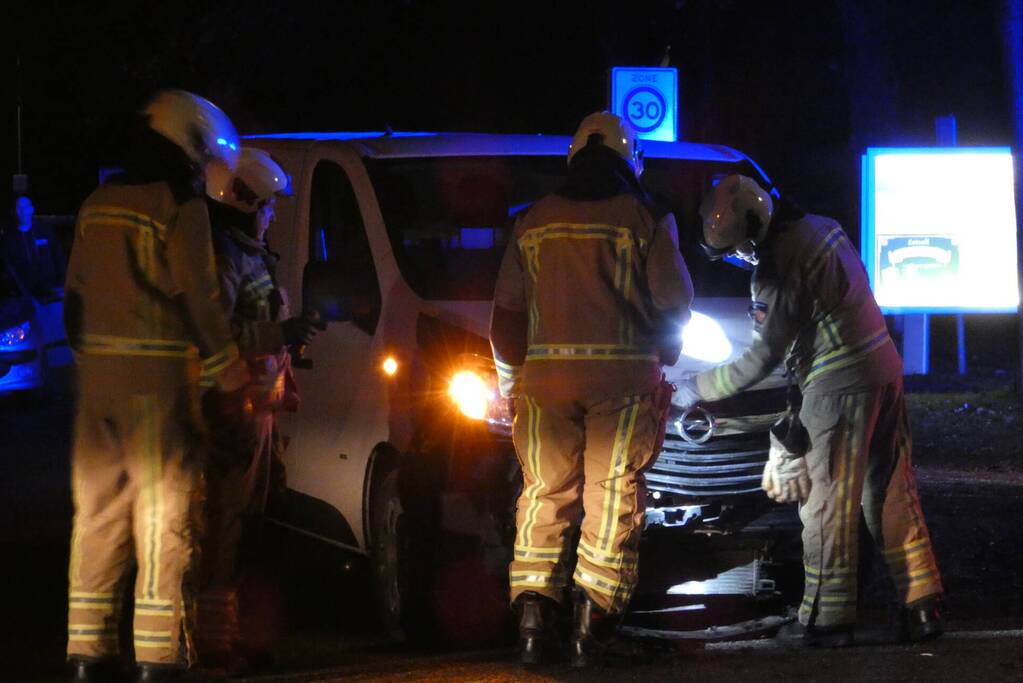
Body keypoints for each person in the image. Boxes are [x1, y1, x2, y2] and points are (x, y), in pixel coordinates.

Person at [673, 174, 944, 646]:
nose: (741, 258)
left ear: (753, 228)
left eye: (738, 249)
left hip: (838, 391)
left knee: (825, 506)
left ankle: (827, 620)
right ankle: (923, 606)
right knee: (892, 495)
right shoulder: (824, 227)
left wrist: (691, 388)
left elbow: (757, 362)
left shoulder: (777, 266)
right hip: (885, 372)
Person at [490, 111, 694, 667]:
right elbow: (675, 305)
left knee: (543, 494)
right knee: (611, 497)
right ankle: (592, 628)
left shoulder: (533, 221)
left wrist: (513, 383)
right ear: (632, 161)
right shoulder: (646, 217)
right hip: (624, 384)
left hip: (543, 386)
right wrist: (665, 355)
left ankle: (533, 624)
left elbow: (505, 317)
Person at [63, 89, 250, 683]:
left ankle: (87, 657)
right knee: (164, 522)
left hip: (97, 392)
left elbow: (72, 303)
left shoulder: (97, 203)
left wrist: (98, 364)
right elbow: (199, 296)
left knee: (97, 520)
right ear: (188, 145)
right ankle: (158, 660)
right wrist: (231, 374)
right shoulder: (179, 205)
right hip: (159, 391)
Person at [195, 148, 318, 672]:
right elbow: (215, 335)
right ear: (244, 204)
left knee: (254, 528)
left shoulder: (249, 256)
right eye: (266, 207)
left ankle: (246, 638)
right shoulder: (223, 260)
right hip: (230, 413)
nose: (271, 217)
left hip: (256, 414)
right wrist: (280, 332)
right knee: (226, 530)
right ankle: (215, 645)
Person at [2, 194, 67, 300]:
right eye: (19, 207)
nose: (23, 211)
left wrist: (61, 282)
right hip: (24, 294)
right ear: (16, 211)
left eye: (26, 207)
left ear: (32, 209)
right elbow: (9, 267)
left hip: (50, 290)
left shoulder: (45, 230)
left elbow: (58, 255)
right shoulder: (10, 238)